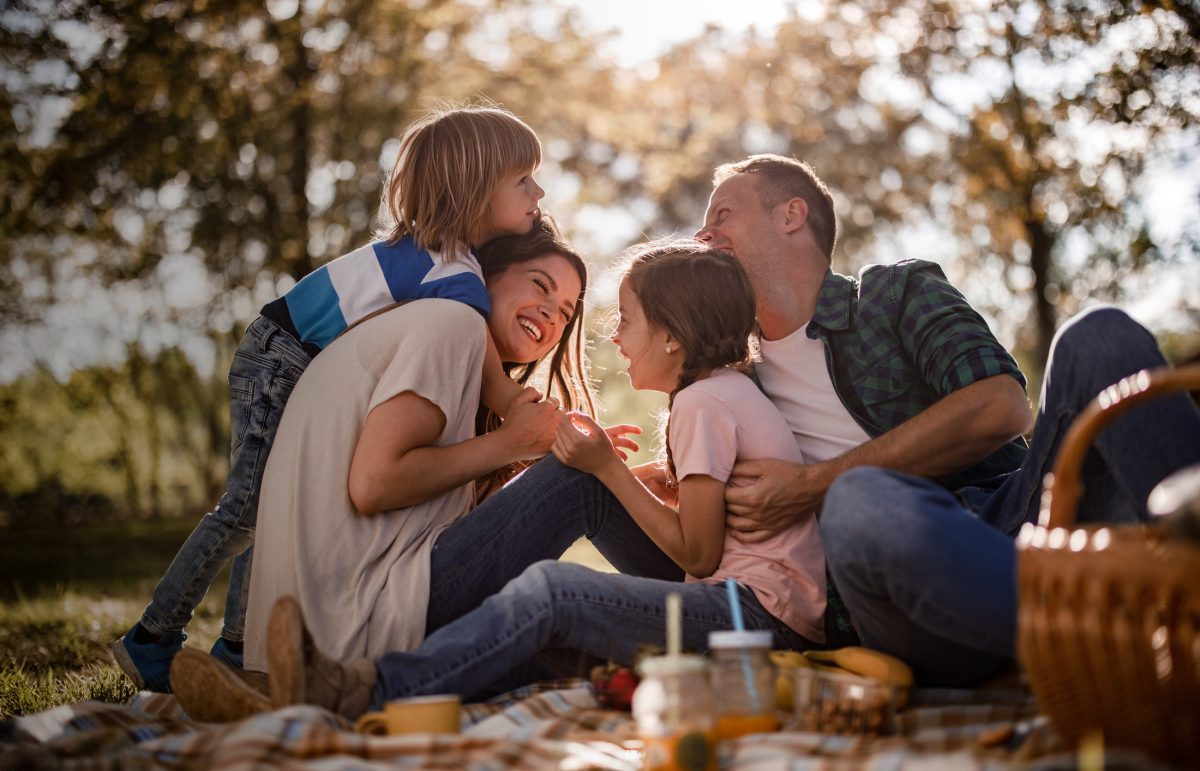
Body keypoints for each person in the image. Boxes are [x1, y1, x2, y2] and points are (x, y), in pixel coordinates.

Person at [173, 241, 844, 718]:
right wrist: (620, 477)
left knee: (554, 591)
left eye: (627, 320)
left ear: (672, 337)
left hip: (750, 619)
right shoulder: (717, 395)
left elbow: (697, 553)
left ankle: (361, 690)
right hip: (742, 608)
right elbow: (704, 536)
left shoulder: (705, 403)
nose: (611, 336)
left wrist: (608, 467)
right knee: (544, 613)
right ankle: (302, 696)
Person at [692, 153, 1200, 685]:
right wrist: (627, 475)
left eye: (722, 214)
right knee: (860, 499)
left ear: (791, 215)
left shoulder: (894, 294)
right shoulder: (730, 384)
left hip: (1024, 523)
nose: (704, 234)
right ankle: (1089, 637)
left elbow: (1000, 405)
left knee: (1099, 336)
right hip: (903, 600)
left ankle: (1171, 590)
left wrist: (812, 484)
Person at [115, 104, 550, 692]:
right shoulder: (449, 270)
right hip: (280, 352)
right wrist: (522, 418)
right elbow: (488, 367)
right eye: (523, 180)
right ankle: (153, 636)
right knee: (246, 508)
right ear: (474, 187)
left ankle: (237, 649)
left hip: (290, 353)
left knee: (271, 510)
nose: (538, 191)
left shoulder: (445, 261)